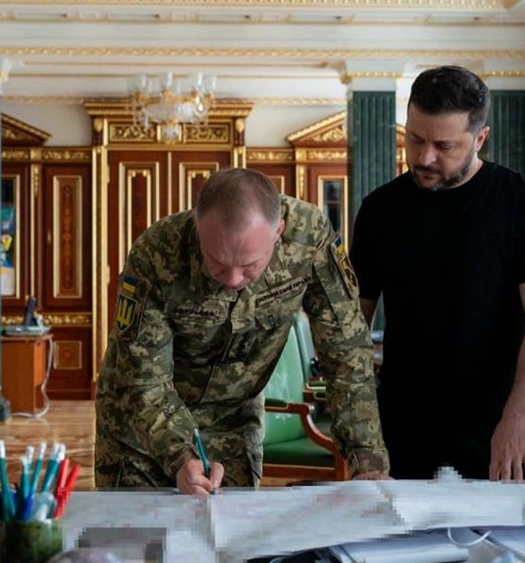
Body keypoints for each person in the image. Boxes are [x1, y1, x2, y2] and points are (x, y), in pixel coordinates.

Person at [95, 168, 390, 494]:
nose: (233, 280)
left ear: (278, 232)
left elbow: (347, 351)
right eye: (218, 263)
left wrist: (367, 461)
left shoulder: (308, 240)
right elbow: (143, 381)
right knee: (140, 525)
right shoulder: (157, 253)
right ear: (198, 228)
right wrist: (181, 455)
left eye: (249, 266)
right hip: (142, 429)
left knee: (232, 524)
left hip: (232, 422)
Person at [349, 65, 525, 482]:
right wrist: (361, 438)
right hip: (403, 428)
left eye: (444, 146)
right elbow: (352, 325)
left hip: (500, 425)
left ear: (480, 138)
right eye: (415, 139)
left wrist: (517, 418)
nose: (424, 158)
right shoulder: (381, 209)